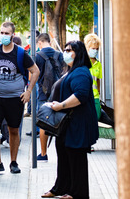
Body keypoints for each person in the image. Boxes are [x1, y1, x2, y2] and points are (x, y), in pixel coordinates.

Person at [0, 21, 40, 174]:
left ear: (13, 34)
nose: (4, 35)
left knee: (13, 130)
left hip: (14, 98)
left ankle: (13, 162)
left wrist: (29, 91)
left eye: (7, 33)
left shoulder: (20, 53)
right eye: (2, 32)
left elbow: (36, 71)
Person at [41, 40, 98, 199]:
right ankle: (61, 188)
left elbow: (80, 95)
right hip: (67, 123)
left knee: (75, 158)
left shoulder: (81, 72)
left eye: (69, 50)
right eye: (65, 49)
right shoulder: (72, 70)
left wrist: (61, 105)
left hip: (77, 123)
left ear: (78, 53)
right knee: (64, 156)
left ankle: (76, 193)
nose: (65, 53)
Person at [35, 33, 65, 162]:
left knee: (44, 122)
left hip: (43, 93)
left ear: (40, 43)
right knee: (61, 121)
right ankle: (62, 153)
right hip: (59, 93)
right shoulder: (60, 55)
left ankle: (43, 153)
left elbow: (33, 76)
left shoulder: (37, 56)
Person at [84, 33, 102, 119]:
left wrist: (98, 92)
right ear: (87, 48)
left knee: (97, 118)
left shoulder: (98, 64)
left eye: (97, 49)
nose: (95, 51)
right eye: (93, 48)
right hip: (85, 97)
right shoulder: (83, 63)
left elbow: (98, 80)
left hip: (95, 97)